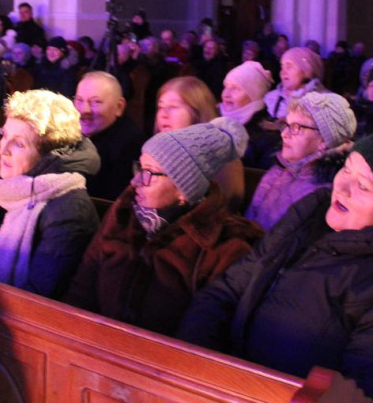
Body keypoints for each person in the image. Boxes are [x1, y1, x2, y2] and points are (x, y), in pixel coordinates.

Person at [178, 127, 373, 402]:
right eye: (346, 169)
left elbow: (368, 395)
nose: (342, 187)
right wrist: (193, 369)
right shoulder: (311, 216)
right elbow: (228, 290)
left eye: (363, 186)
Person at [64, 118, 263, 335]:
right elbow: (84, 284)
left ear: (183, 190)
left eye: (150, 173)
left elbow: (200, 333)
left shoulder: (222, 247)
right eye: (139, 167)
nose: (136, 181)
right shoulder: (124, 212)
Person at [0, 89, 100, 298]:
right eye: (4, 135)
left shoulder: (70, 212)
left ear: (48, 156)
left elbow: (39, 298)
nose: (3, 149)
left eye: (19, 143)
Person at [245, 92, 356, 231]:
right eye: (286, 125)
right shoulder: (280, 169)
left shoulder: (322, 194)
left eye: (296, 127)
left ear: (324, 140)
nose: (284, 134)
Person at [155, 77, 246, 211]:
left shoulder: (223, 160)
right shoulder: (157, 152)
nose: (163, 114)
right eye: (161, 106)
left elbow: (218, 214)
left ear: (197, 113)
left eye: (173, 107)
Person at [74, 72, 144, 201]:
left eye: (96, 102)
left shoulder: (129, 145)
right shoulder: (70, 132)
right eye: (79, 100)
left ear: (119, 107)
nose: (84, 110)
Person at [218, 61, 280, 169]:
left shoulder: (269, 135)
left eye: (235, 88)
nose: (226, 94)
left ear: (254, 95)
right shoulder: (213, 119)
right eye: (226, 86)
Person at [263, 47, 326, 121]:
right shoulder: (271, 97)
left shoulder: (320, 101)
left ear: (306, 71)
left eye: (289, 67)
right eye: (282, 67)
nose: (283, 72)